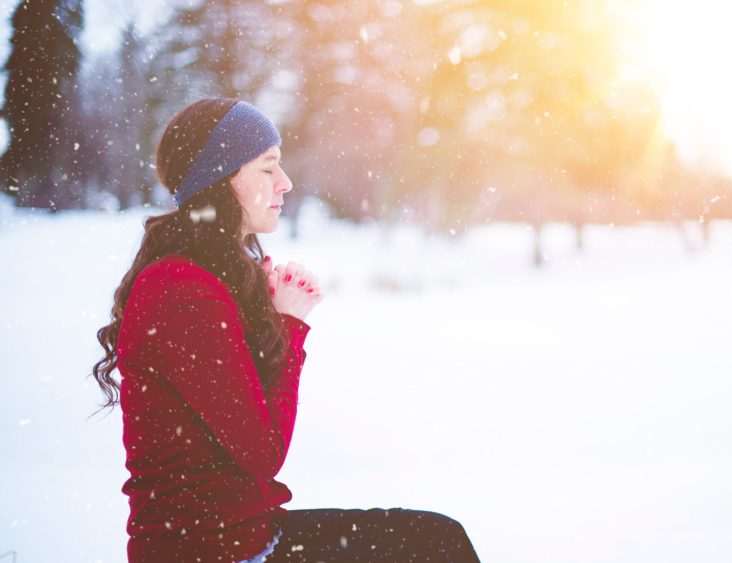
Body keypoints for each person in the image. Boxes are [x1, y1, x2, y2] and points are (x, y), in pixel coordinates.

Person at [90, 98, 481, 562]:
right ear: (221, 178)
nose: (285, 183)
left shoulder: (206, 277)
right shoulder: (181, 290)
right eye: (267, 168)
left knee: (434, 540)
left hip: (251, 538)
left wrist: (271, 317)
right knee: (431, 546)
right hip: (212, 552)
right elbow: (262, 450)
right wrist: (290, 326)